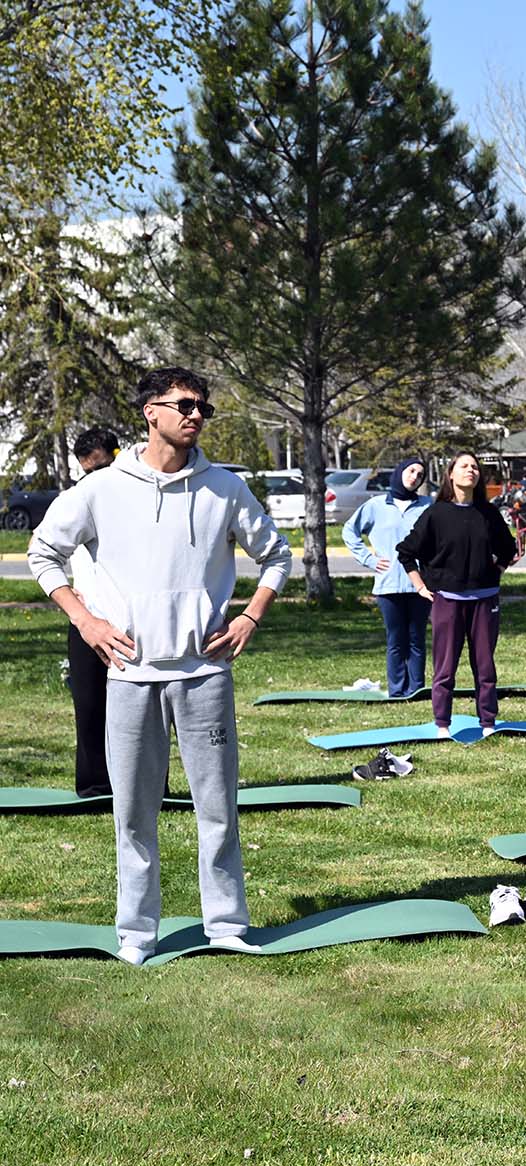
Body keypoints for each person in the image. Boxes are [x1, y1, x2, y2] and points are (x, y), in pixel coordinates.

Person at [27, 366, 292, 965]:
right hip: (129, 676)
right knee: (133, 813)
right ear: (151, 412)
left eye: (204, 408)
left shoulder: (224, 487)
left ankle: (225, 923)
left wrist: (249, 616)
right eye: (185, 405)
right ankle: (137, 933)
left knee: (217, 808)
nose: (196, 415)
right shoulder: (101, 489)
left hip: (203, 673)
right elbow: (44, 552)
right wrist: (86, 620)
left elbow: (276, 556)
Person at [396, 453, 517, 737]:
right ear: (451, 474)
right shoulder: (437, 514)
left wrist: (495, 572)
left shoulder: (488, 514)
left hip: (485, 601)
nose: (470, 471)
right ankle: (442, 724)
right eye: (464, 466)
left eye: (475, 467)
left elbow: (509, 549)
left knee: (485, 665)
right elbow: (406, 552)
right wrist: (420, 586)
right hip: (447, 600)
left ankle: (488, 722)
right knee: (445, 666)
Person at [56, 426, 120, 796]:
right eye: (87, 471)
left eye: (100, 468)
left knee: (143, 711)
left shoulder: (136, 498)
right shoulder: (75, 498)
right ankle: (95, 784)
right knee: (90, 704)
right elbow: (42, 546)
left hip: (129, 618)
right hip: (85, 619)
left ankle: (148, 783)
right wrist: (70, 592)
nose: (93, 478)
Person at [342, 457, 432, 696]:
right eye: (411, 471)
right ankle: (397, 690)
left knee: (416, 639)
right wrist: (369, 560)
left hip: (420, 586)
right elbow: (349, 531)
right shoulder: (376, 505)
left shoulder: (428, 505)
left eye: (420, 475)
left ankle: (416, 689)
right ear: (400, 471)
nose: (415, 477)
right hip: (388, 586)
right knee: (396, 640)